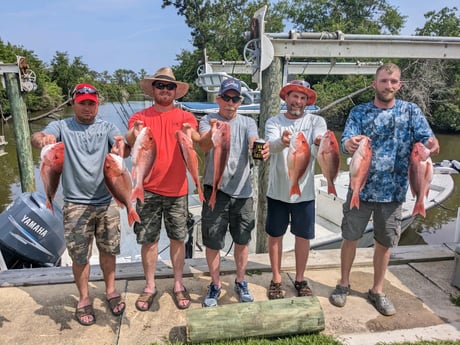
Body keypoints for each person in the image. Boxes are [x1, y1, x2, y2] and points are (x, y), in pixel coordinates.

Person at [329, 62, 440, 316]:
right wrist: (350, 142)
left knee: (384, 243)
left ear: (399, 85)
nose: (388, 86)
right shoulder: (359, 112)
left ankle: (377, 290)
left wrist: (431, 145)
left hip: (394, 193)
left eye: (393, 82)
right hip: (361, 190)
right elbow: (346, 141)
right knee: (350, 238)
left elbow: (429, 141)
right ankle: (343, 284)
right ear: (374, 84)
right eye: (383, 81)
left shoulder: (411, 111)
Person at [31, 83, 129, 326]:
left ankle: (110, 290)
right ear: (74, 103)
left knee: (108, 251)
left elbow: (120, 144)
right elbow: (36, 139)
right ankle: (84, 298)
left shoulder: (106, 126)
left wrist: (121, 146)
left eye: (91, 103)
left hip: (107, 201)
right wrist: (43, 138)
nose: (87, 107)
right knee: (79, 256)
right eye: (82, 102)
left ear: (97, 105)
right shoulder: (62, 126)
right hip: (75, 204)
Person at [125, 67, 199, 311]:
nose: (165, 90)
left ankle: (178, 284)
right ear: (153, 90)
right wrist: (133, 133)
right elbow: (128, 140)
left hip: (178, 190)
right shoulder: (140, 118)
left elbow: (194, 137)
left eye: (169, 86)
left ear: (175, 91)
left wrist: (191, 134)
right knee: (149, 240)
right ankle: (149, 286)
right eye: (160, 86)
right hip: (147, 189)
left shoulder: (186, 117)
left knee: (178, 238)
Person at [198, 78, 269, 307]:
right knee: (212, 240)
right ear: (218, 99)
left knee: (242, 239)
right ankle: (216, 283)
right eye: (226, 97)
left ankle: (240, 280)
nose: (230, 102)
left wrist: (260, 147)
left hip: (242, 191)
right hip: (214, 190)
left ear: (240, 101)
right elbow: (204, 145)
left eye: (235, 98)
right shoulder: (207, 120)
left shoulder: (248, 122)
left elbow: (253, 141)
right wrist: (213, 132)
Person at [264, 80, 327, 299]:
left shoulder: (317, 121)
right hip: (277, 192)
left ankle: (300, 279)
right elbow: (269, 146)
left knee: (303, 237)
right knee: (275, 236)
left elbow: (321, 147)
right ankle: (276, 279)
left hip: (305, 192)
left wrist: (320, 142)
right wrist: (281, 142)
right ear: (286, 98)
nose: (298, 101)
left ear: (307, 101)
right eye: (294, 96)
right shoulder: (274, 121)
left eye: (302, 98)